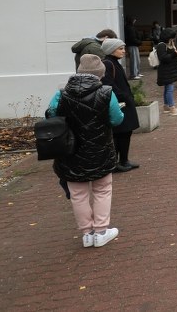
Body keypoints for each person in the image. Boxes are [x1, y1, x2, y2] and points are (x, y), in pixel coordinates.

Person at [46, 54, 124, 248]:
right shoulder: (106, 92)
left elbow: (51, 115)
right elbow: (116, 120)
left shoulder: (61, 93)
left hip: (69, 151)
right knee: (102, 189)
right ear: (100, 74)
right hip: (100, 150)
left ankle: (86, 234)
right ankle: (101, 231)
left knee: (77, 194)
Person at [100, 38, 141, 173]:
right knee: (120, 133)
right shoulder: (107, 63)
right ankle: (117, 162)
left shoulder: (114, 63)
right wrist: (125, 97)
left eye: (123, 48)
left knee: (125, 133)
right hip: (120, 103)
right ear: (111, 50)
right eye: (120, 48)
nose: (123, 51)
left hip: (124, 102)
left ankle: (124, 160)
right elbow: (109, 85)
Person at [156, 27, 177, 115]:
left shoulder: (170, 43)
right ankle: (172, 107)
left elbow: (171, 56)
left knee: (167, 88)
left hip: (171, 69)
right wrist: (174, 53)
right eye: (171, 37)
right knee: (170, 88)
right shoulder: (161, 45)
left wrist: (176, 53)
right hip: (165, 70)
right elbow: (163, 58)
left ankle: (166, 106)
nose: (173, 39)